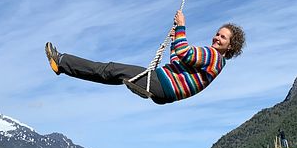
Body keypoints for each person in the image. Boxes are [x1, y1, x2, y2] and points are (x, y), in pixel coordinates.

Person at [45, 10, 245, 105]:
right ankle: (62, 65)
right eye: (218, 34)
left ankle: (62, 62)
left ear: (230, 46)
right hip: (165, 90)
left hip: (161, 84)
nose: (217, 37)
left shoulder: (212, 56)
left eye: (223, 37)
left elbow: (184, 52)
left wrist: (182, 25)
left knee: (112, 69)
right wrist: (176, 33)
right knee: (112, 75)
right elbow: (178, 61)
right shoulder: (217, 63)